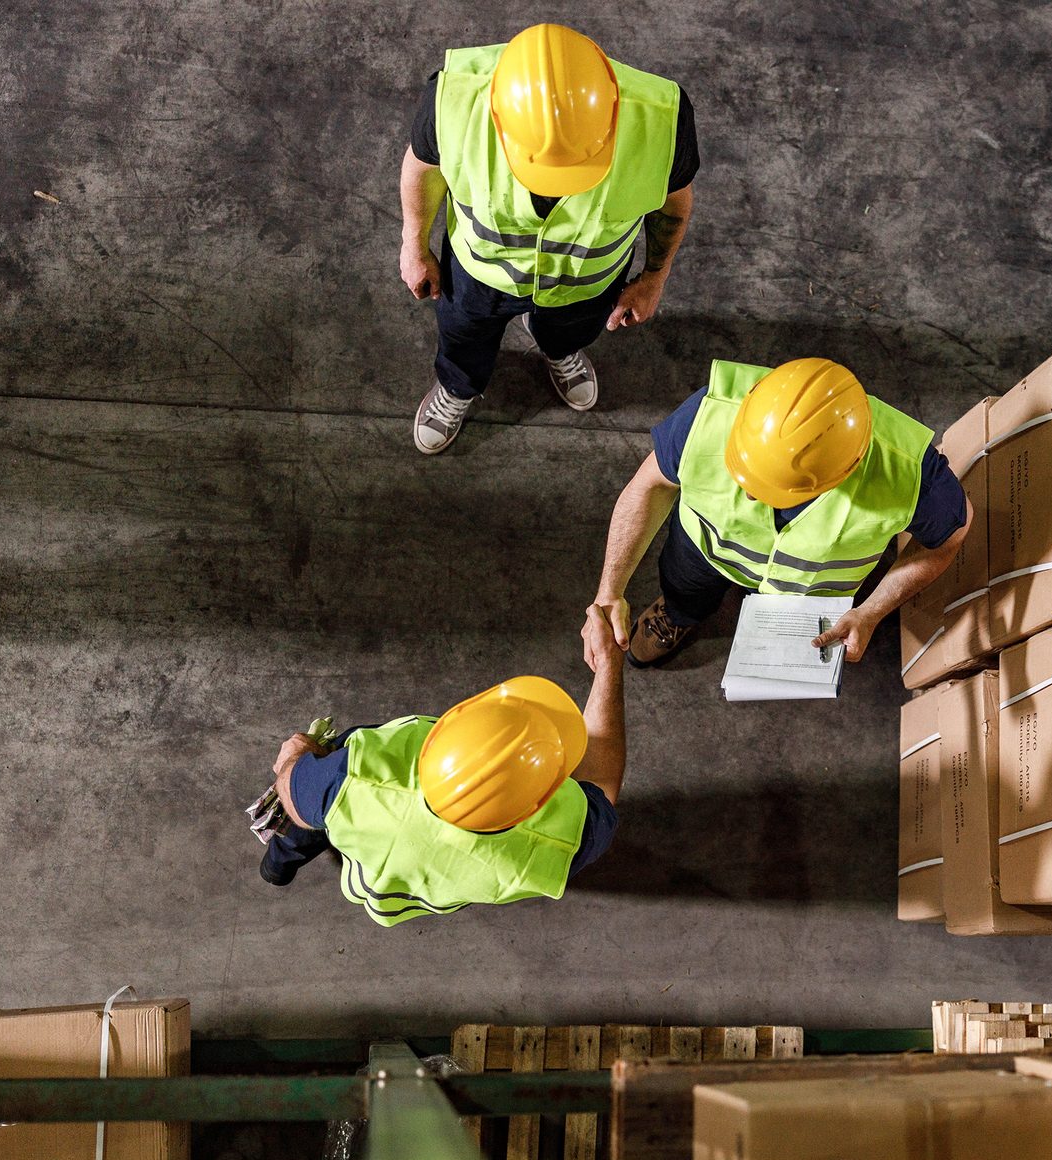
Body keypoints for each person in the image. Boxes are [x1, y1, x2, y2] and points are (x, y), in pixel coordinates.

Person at [398, 22, 699, 454]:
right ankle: (458, 387)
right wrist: (414, 244)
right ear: (499, 114)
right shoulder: (455, 98)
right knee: (464, 337)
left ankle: (560, 350)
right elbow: (422, 168)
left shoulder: (662, 120)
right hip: (479, 272)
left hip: (588, 279)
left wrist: (654, 278)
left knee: (571, 331)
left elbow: (674, 205)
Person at [581, 357, 972, 670]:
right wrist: (609, 591)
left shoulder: (909, 475)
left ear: (839, 474)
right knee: (684, 586)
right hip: (704, 548)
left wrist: (870, 612)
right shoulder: (708, 415)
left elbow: (952, 535)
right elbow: (648, 487)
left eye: (771, 491)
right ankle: (681, 613)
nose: (748, 494)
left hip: (807, 594)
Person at [260, 652, 625, 926]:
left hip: (345, 810)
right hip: (408, 892)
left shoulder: (354, 775)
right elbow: (602, 781)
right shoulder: (560, 839)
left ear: (450, 721)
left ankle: (277, 868)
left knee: (305, 823)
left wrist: (297, 754)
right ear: (533, 806)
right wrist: (610, 666)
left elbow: (291, 790)